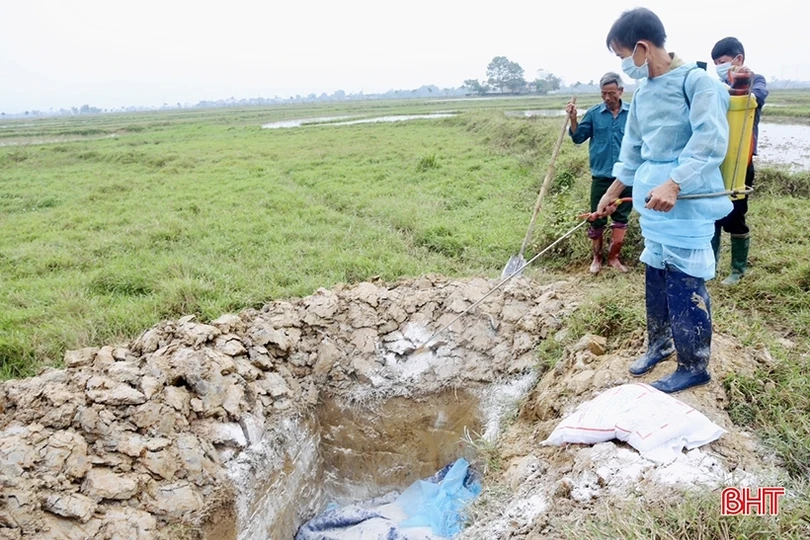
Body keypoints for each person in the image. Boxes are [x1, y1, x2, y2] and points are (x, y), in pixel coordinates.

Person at [594, 7, 733, 393]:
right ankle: (659, 344)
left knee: (684, 277)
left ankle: (693, 364)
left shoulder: (697, 83)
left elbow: (709, 143)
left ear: (641, 47)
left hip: (686, 199)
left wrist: (673, 184)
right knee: (655, 270)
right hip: (651, 202)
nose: (624, 66)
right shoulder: (643, 93)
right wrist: (611, 192)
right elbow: (634, 149)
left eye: (623, 55)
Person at [710, 37, 769, 286]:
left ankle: (737, 270)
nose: (719, 68)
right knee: (711, 212)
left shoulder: (756, 80)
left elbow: (755, 98)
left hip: (741, 161)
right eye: (716, 64)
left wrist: (734, 87)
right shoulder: (716, 84)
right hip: (716, 159)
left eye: (722, 62)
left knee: (735, 213)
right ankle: (709, 265)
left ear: (738, 60)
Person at [566, 72, 633, 274]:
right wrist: (573, 120)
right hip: (601, 175)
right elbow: (578, 137)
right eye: (603, 93)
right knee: (597, 217)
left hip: (626, 176)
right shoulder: (595, 113)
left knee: (621, 217)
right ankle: (597, 257)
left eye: (611, 93)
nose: (607, 98)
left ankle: (614, 257)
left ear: (621, 91)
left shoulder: (632, 113)